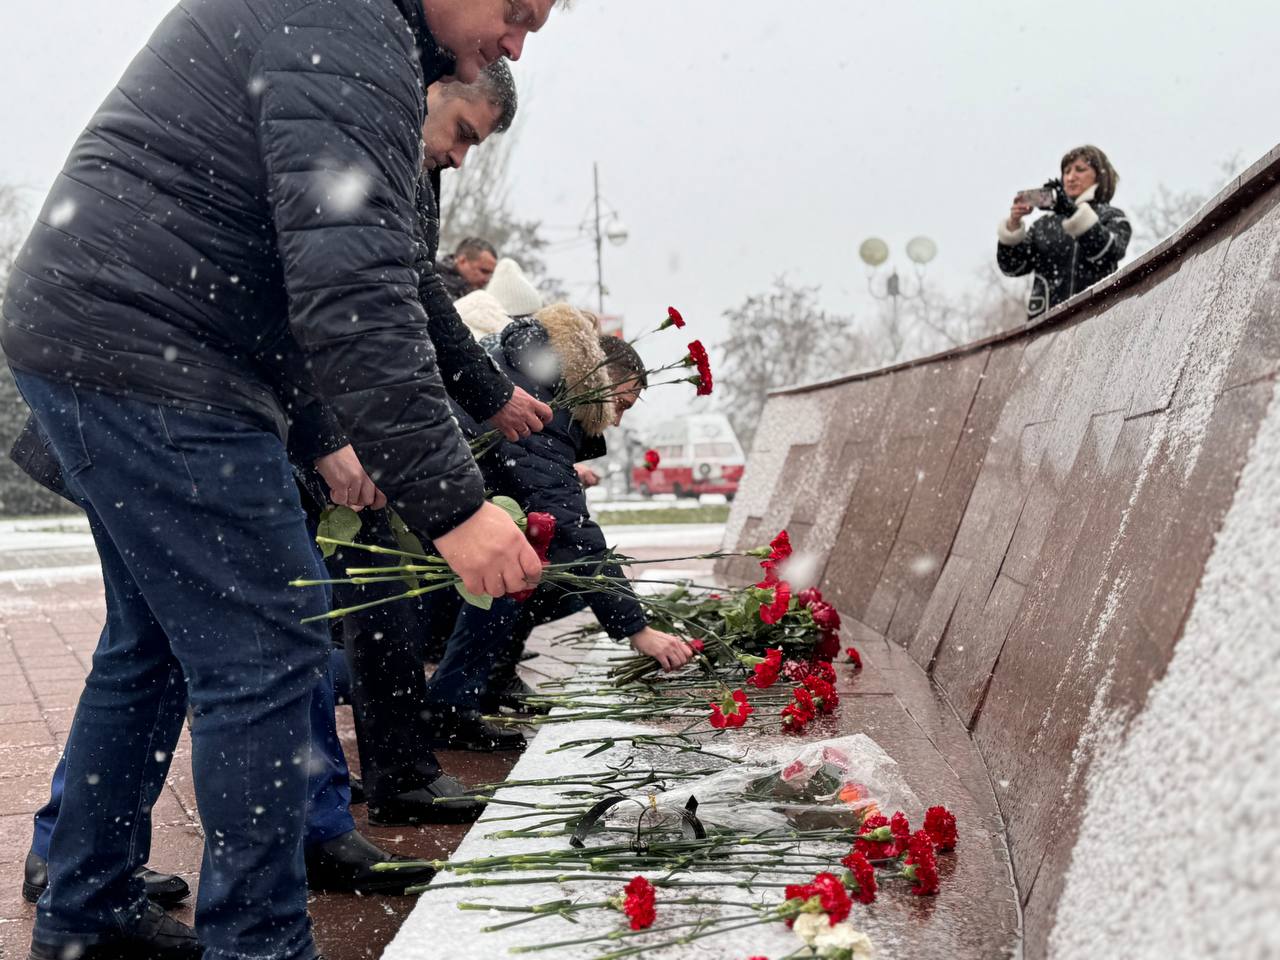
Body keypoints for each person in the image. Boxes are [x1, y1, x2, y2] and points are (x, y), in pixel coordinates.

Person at [0, 1, 557, 958]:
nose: (514, 43)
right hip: (155, 349)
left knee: (155, 642)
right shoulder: (351, 28)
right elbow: (354, 287)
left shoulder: (346, 24)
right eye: (516, 11)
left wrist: (317, 432)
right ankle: (257, 942)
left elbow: (289, 260)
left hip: (112, 328)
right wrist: (455, 507)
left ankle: (84, 908)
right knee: (266, 650)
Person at [422, 305, 696, 751]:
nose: (618, 420)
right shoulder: (546, 402)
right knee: (524, 571)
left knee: (536, 565)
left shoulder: (535, 366)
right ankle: (448, 708)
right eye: (622, 404)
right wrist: (636, 629)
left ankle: (486, 679)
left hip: (431, 514)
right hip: (427, 536)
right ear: (603, 377)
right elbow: (573, 528)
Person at [997, 144, 1132, 320]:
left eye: (1080, 170)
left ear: (1100, 175)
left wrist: (1073, 212)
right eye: (1066, 171)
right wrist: (1013, 225)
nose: (1070, 177)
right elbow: (1013, 267)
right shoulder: (1042, 225)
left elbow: (1108, 251)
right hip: (1045, 328)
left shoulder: (1112, 217)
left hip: (1096, 320)